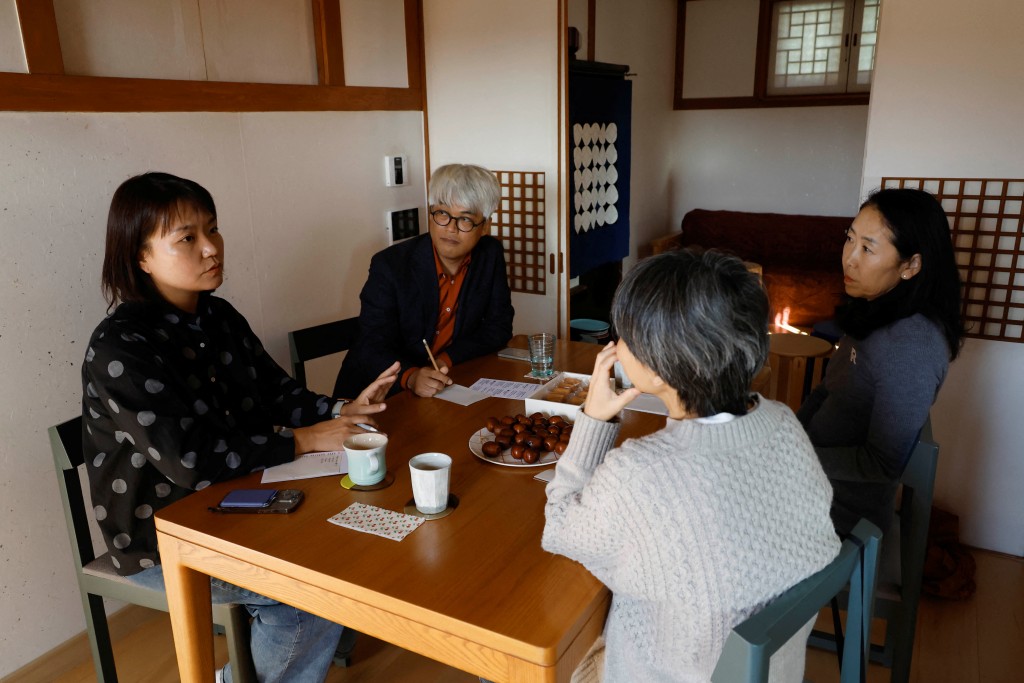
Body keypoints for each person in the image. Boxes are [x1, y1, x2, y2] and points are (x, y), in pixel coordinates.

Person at [81, 172, 399, 683]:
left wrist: (340, 410)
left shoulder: (218, 315)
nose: (211, 248)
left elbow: (276, 392)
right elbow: (188, 462)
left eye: (213, 229)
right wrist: (305, 438)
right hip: (161, 533)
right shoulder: (122, 346)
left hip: (239, 496)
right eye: (187, 238)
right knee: (302, 598)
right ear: (139, 257)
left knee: (351, 535)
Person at [542, 249, 841, 682]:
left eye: (624, 335)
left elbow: (560, 528)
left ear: (661, 368)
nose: (615, 346)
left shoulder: (641, 473)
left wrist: (594, 419)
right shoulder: (783, 422)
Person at [797, 188, 965, 536]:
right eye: (850, 240)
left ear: (911, 266)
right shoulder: (874, 306)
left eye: (868, 248)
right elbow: (826, 389)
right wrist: (791, 437)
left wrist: (794, 458)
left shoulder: (913, 347)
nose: (849, 259)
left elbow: (882, 465)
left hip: (839, 506)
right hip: (809, 473)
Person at [334, 163, 514, 399]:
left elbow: (498, 327)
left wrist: (444, 359)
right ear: (430, 213)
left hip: (445, 384)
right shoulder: (390, 265)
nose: (451, 228)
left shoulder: (489, 254)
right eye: (442, 214)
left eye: (465, 220)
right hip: (381, 392)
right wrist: (411, 376)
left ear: (485, 226)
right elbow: (370, 345)